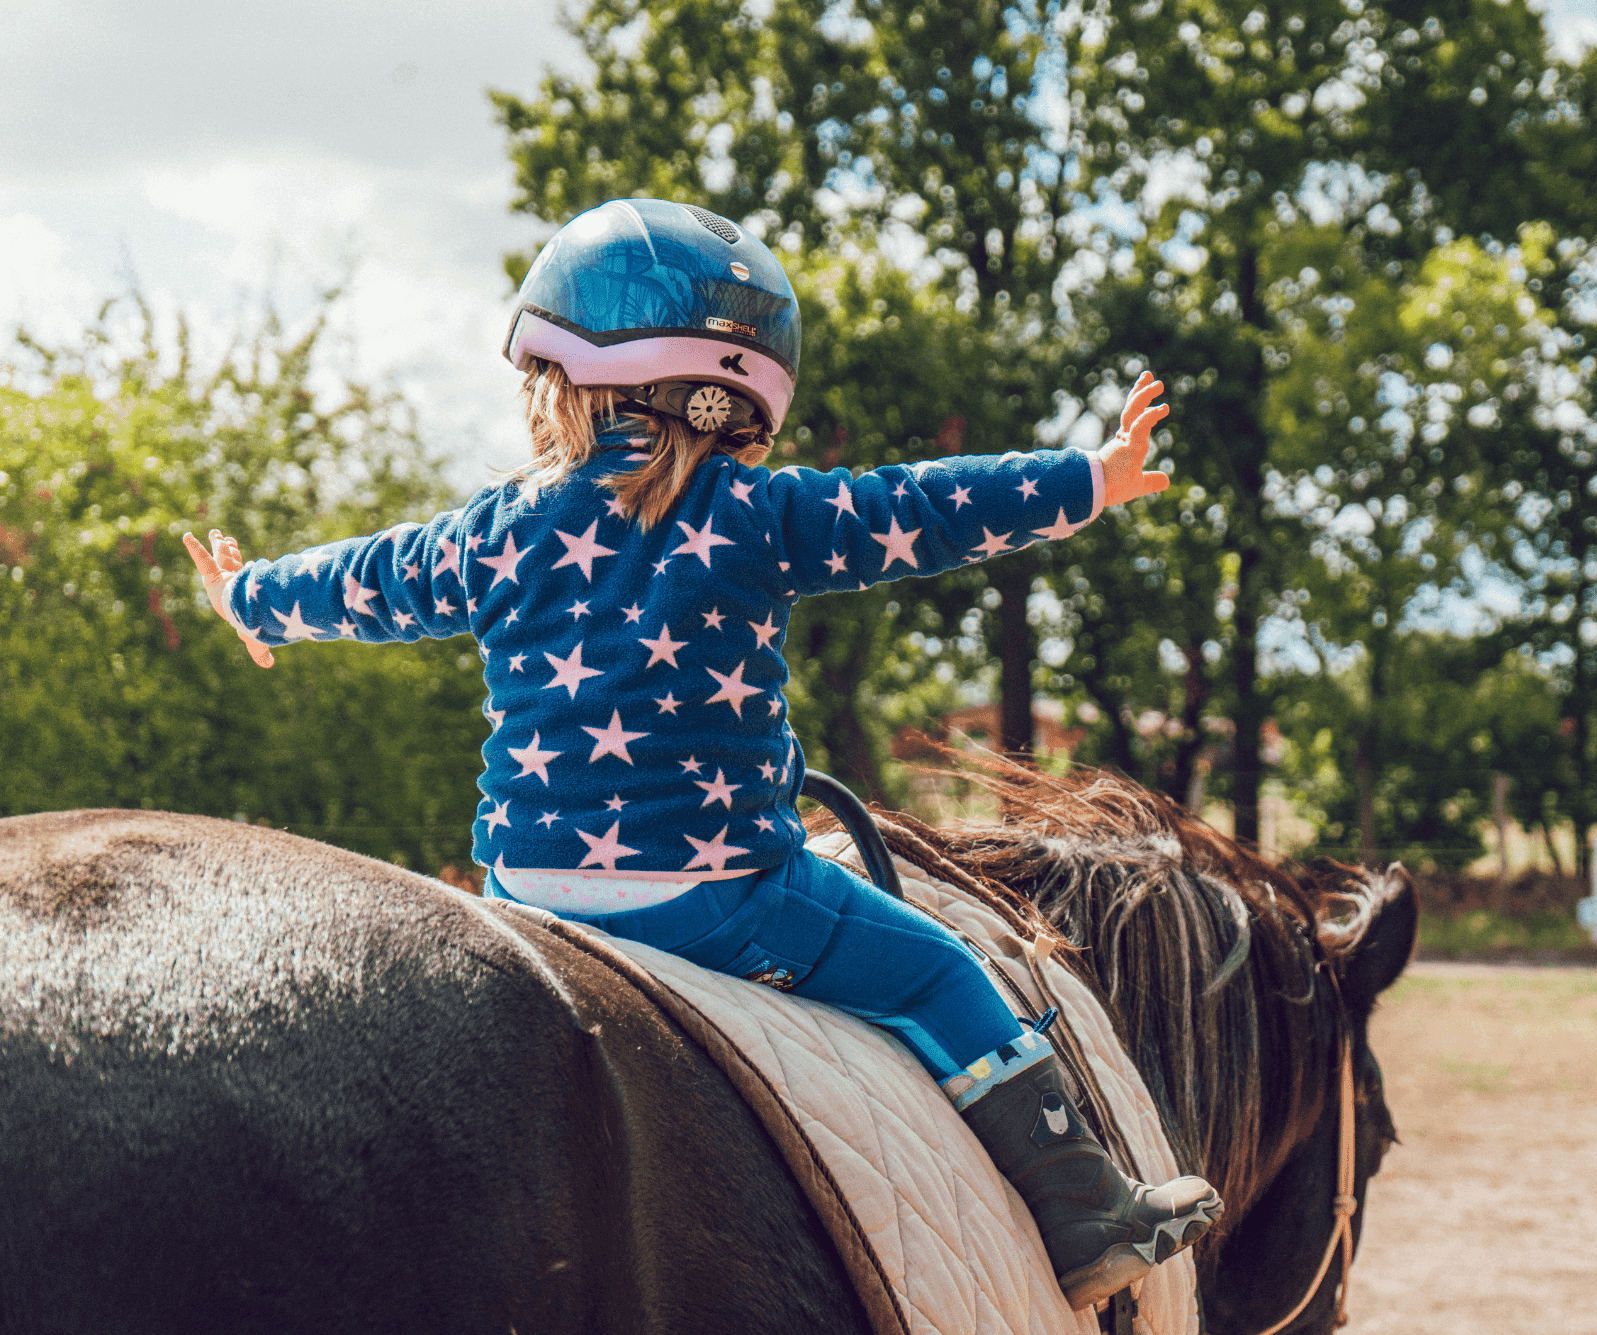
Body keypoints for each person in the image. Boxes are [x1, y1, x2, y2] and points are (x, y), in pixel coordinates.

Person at [183, 197, 1219, 1307]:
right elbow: (922, 506)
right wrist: (1090, 480)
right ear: (741, 399)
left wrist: (252, 598)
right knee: (936, 970)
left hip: (525, 896)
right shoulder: (757, 514)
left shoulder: (494, 526)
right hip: (719, 897)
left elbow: (373, 579)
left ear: (558, 379)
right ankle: (1082, 1213)